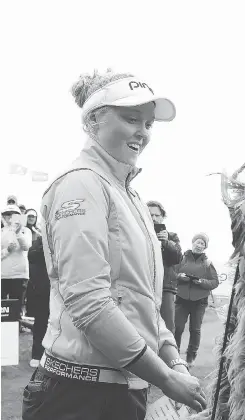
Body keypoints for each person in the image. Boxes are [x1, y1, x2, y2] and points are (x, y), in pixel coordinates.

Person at [21, 69, 206, 420]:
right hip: (77, 395)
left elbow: (144, 303)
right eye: (131, 118)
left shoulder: (129, 195)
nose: (143, 132)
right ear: (93, 120)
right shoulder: (80, 185)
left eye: (149, 123)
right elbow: (89, 302)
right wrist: (165, 377)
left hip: (121, 390)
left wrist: (175, 362)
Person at [174, 233, 219, 365]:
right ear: (192, 243)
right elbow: (172, 275)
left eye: (202, 244)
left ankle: (190, 358)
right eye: (197, 242)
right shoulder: (181, 259)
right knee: (178, 327)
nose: (199, 245)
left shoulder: (207, 263)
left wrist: (201, 282)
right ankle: (174, 355)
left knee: (195, 329)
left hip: (199, 302)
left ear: (205, 247)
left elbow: (214, 282)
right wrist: (179, 277)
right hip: (181, 299)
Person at [147, 200, 183, 334]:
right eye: (150, 215)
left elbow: (178, 258)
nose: (154, 218)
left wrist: (166, 243)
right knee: (144, 325)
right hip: (143, 285)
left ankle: (169, 355)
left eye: (157, 215)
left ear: (162, 217)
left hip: (165, 287)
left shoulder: (172, 236)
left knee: (167, 327)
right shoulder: (138, 235)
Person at [24, 209, 51, 368]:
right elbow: (32, 256)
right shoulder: (39, 242)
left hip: (63, 290)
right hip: (43, 289)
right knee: (41, 322)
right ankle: (37, 354)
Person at [1, 205, 32, 320]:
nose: (10, 217)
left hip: (20, 275)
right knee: (2, 310)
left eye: (14, 214)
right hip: (3, 276)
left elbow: (26, 247)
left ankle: (16, 334)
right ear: (3, 216)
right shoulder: (1, 232)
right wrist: (7, 251)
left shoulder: (26, 230)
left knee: (17, 309)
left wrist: (18, 232)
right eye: (7, 214)